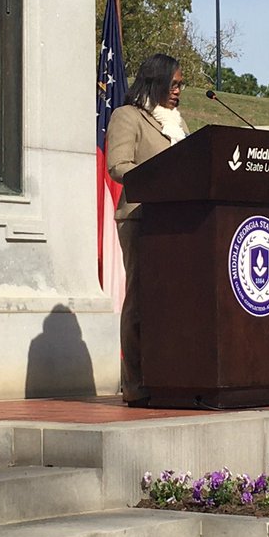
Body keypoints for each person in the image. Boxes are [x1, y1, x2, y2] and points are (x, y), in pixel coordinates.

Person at [105, 53, 189, 406]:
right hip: (142, 219)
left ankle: (175, 376)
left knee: (178, 302)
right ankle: (136, 383)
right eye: (174, 84)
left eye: (180, 85)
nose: (178, 91)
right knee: (141, 300)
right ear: (155, 81)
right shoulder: (128, 117)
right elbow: (117, 165)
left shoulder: (177, 123)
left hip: (181, 222)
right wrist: (163, 174)